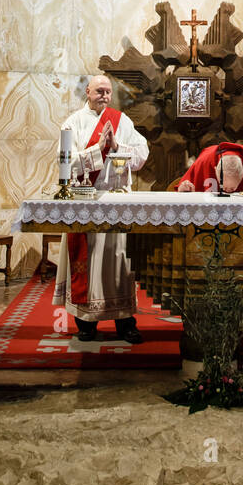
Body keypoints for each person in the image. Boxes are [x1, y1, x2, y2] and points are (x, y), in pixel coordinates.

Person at [54, 75, 149, 343]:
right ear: (87, 91)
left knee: (119, 264)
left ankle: (125, 321)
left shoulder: (122, 121)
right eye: (99, 91)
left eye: (108, 92)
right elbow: (66, 164)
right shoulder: (73, 122)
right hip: (87, 201)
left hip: (117, 201)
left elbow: (142, 156)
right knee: (88, 265)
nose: (105, 96)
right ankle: (85, 323)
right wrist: (98, 149)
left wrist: (118, 146)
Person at [176, 142, 243, 347]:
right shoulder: (205, 160)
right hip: (208, 239)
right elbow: (184, 190)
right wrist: (184, 189)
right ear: (215, 170)